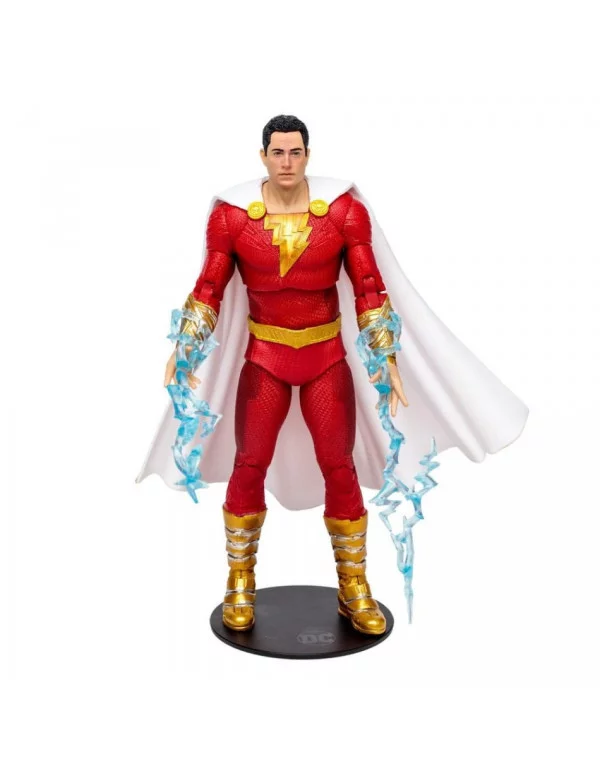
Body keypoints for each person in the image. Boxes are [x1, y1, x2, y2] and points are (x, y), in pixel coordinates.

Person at [137, 114, 528, 635]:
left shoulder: (343, 212)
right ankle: (239, 579)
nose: (287, 162)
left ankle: (353, 585)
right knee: (248, 464)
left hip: (326, 359)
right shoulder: (232, 218)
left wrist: (386, 356)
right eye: (278, 152)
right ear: (263, 156)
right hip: (265, 360)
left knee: (339, 467)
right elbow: (209, 286)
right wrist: (185, 346)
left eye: (295, 152)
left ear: (308, 155)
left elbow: (368, 286)